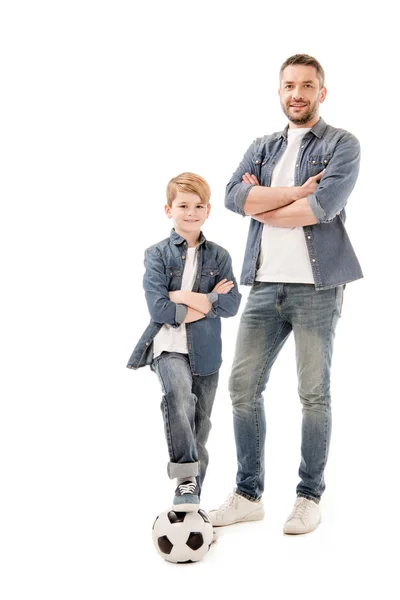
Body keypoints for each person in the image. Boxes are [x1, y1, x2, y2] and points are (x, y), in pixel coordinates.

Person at [209, 54, 363, 534]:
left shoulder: (343, 144)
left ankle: (308, 496)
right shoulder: (262, 145)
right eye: (288, 85)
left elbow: (323, 207)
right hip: (264, 283)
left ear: (322, 92)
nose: (296, 93)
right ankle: (248, 494)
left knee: (313, 394)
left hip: (317, 288)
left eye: (307, 85)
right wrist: (297, 193)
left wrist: (270, 202)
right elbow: (234, 196)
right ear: (280, 92)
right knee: (241, 387)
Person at [127, 172, 241, 512]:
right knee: (177, 396)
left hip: (206, 352)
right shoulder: (157, 254)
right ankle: (184, 477)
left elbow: (232, 305)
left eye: (198, 206)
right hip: (167, 347)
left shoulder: (219, 256)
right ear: (168, 209)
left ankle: (191, 497)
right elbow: (160, 308)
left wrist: (184, 297)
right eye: (183, 205)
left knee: (200, 424)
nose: (190, 213)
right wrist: (207, 301)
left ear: (208, 211)